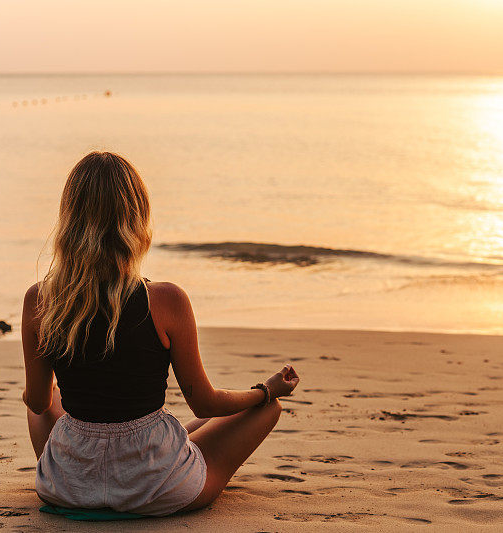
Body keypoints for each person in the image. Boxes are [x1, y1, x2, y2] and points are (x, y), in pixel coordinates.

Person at [21, 151, 300, 516]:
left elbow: (39, 404)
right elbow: (205, 404)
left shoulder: (41, 299)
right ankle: (163, 448)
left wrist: (43, 390)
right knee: (265, 409)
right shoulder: (166, 300)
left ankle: (105, 460)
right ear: (136, 217)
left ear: (70, 218)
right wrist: (265, 390)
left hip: (69, 487)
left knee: (45, 398)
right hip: (156, 488)